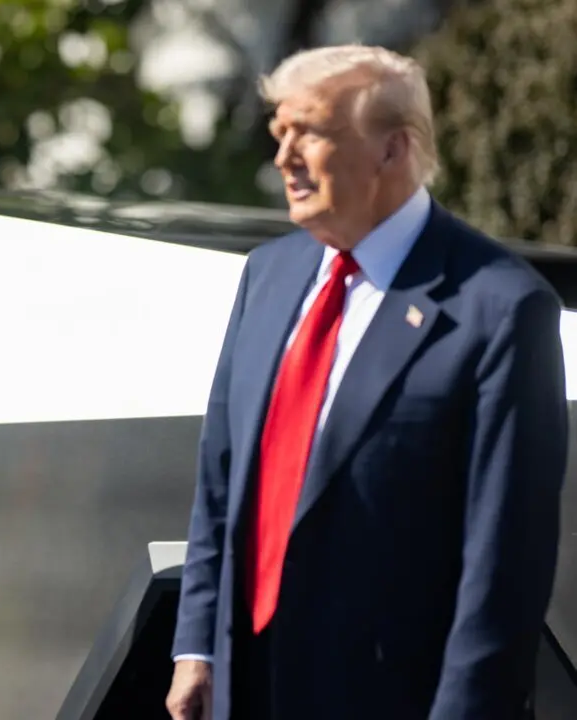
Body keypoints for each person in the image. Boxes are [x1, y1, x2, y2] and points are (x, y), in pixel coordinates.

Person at [166, 44, 568, 720]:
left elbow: (505, 565)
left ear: (393, 150)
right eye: (279, 133)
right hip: (248, 684)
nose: (283, 158)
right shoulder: (266, 275)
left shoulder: (498, 308)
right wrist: (196, 647)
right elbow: (220, 481)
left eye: (310, 132)